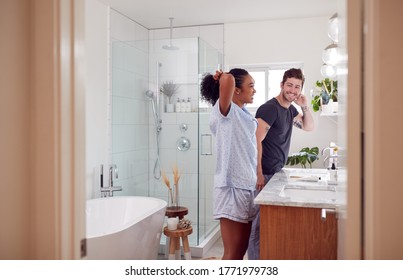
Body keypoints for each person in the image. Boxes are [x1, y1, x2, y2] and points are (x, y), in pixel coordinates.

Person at [247, 68, 315, 260]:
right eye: (289, 85)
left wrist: (305, 107)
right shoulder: (270, 108)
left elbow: (309, 127)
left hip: (275, 174)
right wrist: (259, 173)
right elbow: (256, 141)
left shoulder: (290, 110)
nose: (293, 90)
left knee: (268, 224)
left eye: (297, 87)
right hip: (265, 174)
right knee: (258, 226)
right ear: (281, 85)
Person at [200, 68, 258, 260]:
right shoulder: (224, 110)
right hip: (231, 187)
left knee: (241, 251)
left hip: (246, 185)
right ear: (237, 90)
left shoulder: (243, 112)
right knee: (232, 254)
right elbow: (228, 80)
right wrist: (223, 76)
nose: (254, 90)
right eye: (251, 85)